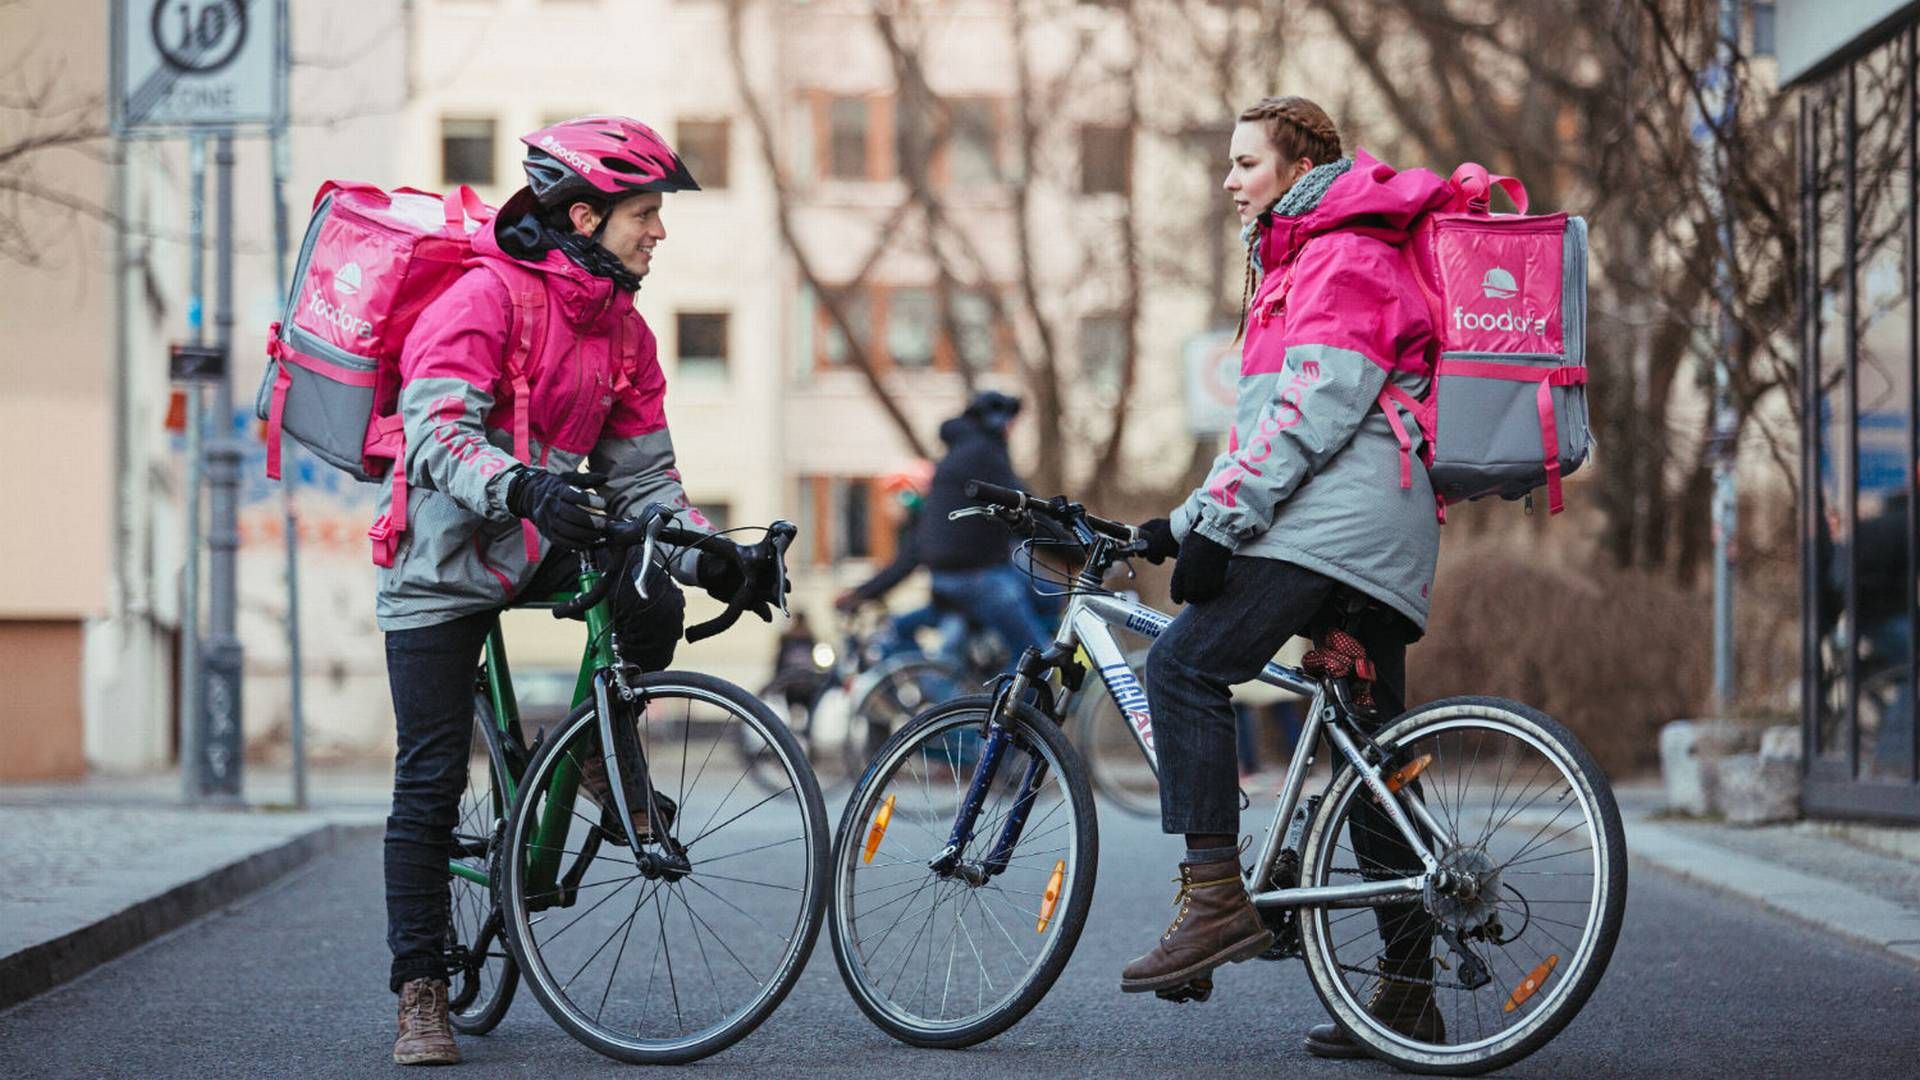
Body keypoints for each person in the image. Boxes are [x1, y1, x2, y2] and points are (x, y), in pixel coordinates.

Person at [376, 116, 776, 1066]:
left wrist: (710, 554)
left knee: (652, 583)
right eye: (645, 213)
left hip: (542, 537)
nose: (659, 232)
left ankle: (601, 747)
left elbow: (646, 486)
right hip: (440, 557)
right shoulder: (483, 298)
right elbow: (434, 436)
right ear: (586, 214)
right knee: (431, 778)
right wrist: (522, 484)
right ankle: (422, 990)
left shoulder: (625, 332)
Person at [1124, 96, 1452, 1058]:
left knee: (1183, 667)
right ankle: (1406, 994)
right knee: (1375, 765)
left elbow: (1313, 411)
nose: (1228, 180)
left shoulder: (1340, 253)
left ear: (1299, 164)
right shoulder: (1305, 259)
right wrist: (1176, 525)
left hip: (1341, 528)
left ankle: (1217, 899)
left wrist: (1221, 531)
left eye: (1244, 162)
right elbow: (1266, 433)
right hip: (1372, 525)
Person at [914, 390, 1052, 658]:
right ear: (996, 421)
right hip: (977, 576)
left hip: (947, 577)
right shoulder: (985, 453)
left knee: (1047, 591)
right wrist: (1081, 545)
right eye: (1010, 423)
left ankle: (965, 681)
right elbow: (1026, 505)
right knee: (1037, 657)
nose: (1011, 431)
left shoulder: (957, 455)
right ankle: (1012, 697)